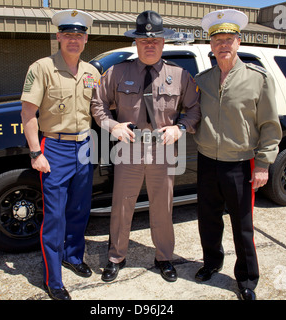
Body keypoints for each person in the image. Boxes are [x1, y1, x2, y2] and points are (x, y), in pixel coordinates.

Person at [91, 10, 200, 283]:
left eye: (155, 40)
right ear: (136, 43)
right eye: (143, 41)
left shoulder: (180, 75)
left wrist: (180, 128)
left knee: (162, 207)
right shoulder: (117, 72)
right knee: (122, 205)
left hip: (163, 150)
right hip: (128, 148)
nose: (149, 45)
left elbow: (194, 110)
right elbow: (97, 104)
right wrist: (112, 126)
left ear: (163, 42)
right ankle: (116, 257)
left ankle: (164, 257)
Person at [194, 9, 282, 300]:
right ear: (211, 45)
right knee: (208, 219)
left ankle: (246, 278)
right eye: (217, 39)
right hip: (207, 162)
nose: (223, 45)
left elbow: (269, 125)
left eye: (229, 38)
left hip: (241, 165)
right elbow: (190, 113)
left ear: (239, 42)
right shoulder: (203, 80)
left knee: (242, 226)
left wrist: (264, 165)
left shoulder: (258, 79)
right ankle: (211, 264)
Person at [20, 9, 100, 300]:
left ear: (86, 39)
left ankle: (73, 256)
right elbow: (28, 112)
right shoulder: (41, 68)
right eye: (68, 34)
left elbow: (99, 111)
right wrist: (35, 152)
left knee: (79, 210)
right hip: (55, 148)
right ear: (58, 37)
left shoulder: (92, 72)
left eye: (79, 35)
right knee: (55, 217)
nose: (73, 40)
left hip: (84, 147)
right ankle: (53, 279)